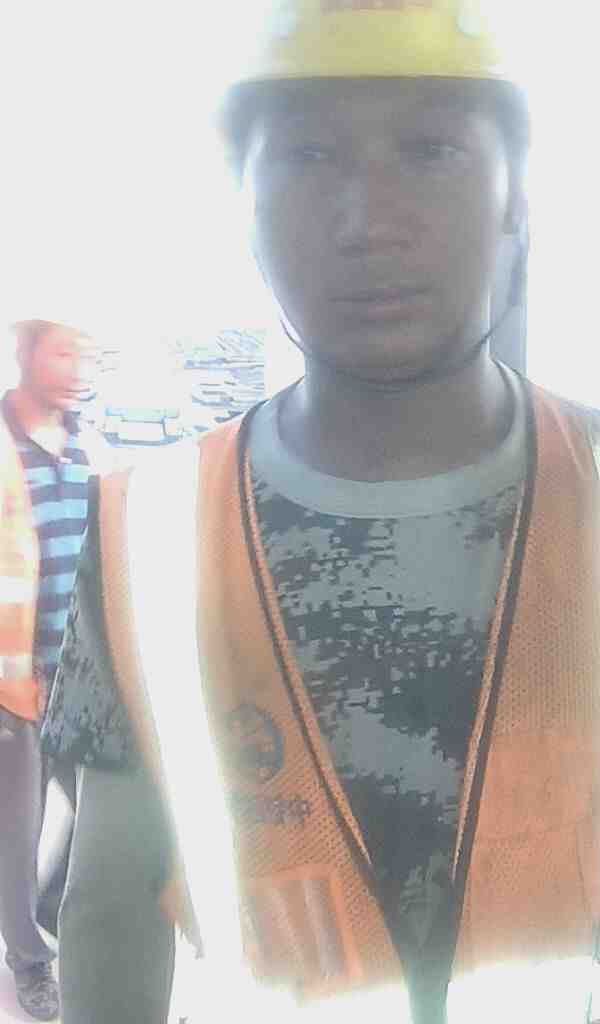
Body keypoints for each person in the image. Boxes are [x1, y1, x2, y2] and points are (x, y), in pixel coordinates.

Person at [46, 2, 600, 1022]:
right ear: (243, 207)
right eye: (307, 157)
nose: (368, 221)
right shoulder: (147, 539)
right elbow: (111, 906)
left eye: (429, 150)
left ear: (517, 195)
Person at [0, 318, 112, 1021]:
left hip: (83, 671)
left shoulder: (90, 443)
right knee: (17, 827)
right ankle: (29, 959)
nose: (80, 369)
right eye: (65, 351)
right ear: (25, 354)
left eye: (89, 354)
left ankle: (49, 928)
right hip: (12, 677)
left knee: (73, 821)